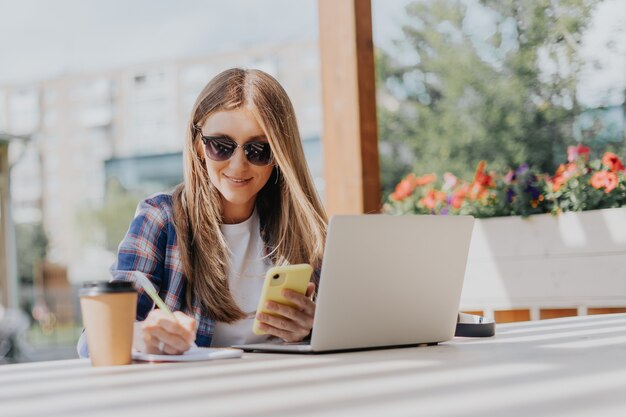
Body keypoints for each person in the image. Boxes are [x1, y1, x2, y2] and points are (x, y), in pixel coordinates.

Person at [78, 68, 327, 357]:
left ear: (280, 156)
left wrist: (312, 328)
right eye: (221, 146)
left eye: (258, 150)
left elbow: (346, 331)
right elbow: (91, 342)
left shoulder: (305, 229)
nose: (238, 165)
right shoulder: (161, 219)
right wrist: (141, 336)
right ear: (198, 145)